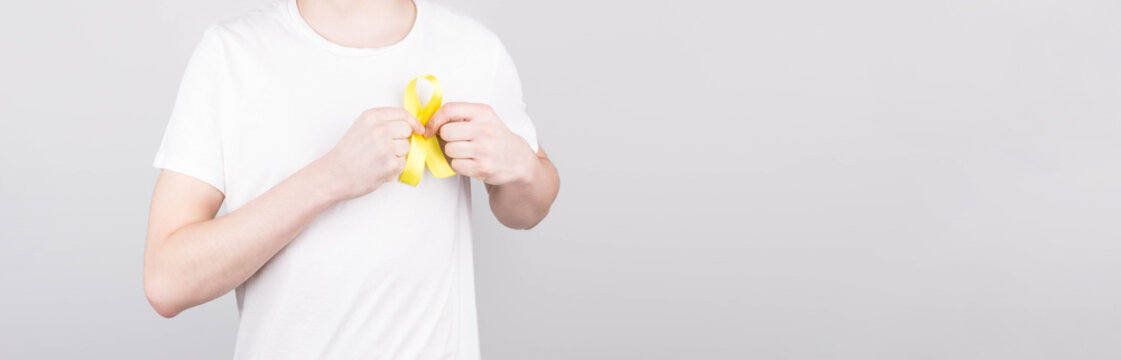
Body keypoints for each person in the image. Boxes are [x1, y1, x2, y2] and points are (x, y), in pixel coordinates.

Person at [142, 0, 560, 357]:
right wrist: (331, 177)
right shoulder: (230, 56)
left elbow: (525, 211)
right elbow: (167, 282)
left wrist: (522, 165)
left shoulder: (474, 49)